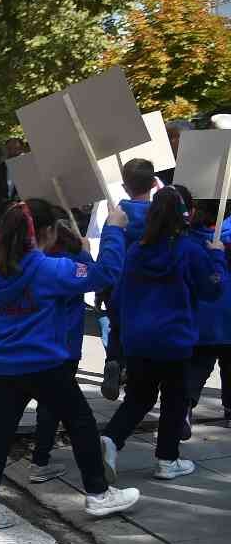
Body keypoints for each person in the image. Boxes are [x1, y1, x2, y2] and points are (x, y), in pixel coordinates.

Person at [0, 199, 137, 529]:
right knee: (80, 422)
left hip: (2, 367)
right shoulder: (50, 270)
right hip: (45, 366)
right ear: (48, 232)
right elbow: (104, 273)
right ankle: (97, 493)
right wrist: (114, 230)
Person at [101, 185, 224, 482]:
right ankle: (167, 460)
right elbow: (212, 289)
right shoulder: (190, 250)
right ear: (186, 214)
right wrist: (217, 257)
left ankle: (111, 440)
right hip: (174, 339)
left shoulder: (135, 251)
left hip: (138, 339)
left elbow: (119, 297)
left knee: (139, 398)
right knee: (174, 400)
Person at [25, 211, 93, 482]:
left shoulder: (37, 262)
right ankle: (42, 461)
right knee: (69, 412)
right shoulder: (70, 264)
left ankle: (41, 457)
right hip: (65, 346)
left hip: (40, 343)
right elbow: (99, 275)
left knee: (47, 406)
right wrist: (86, 253)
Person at [100, 158, 157, 400]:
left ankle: (113, 360)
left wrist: (102, 288)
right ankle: (135, 376)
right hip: (149, 286)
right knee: (144, 335)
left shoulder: (116, 214)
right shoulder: (158, 215)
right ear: (154, 183)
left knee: (117, 328)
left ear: (124, 186)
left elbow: (107, 250)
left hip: (118, 285)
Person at [187, 196, 231, 420]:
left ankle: (186, 405)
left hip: (199, 312)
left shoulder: (186, 237)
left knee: (198, 365)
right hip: (228, 312)